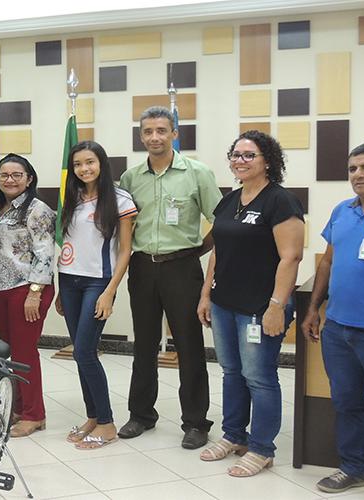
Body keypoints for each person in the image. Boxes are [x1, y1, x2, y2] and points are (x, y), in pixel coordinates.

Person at [196, 131, 304, 476]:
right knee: (232, 373)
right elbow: (218, 250)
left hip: (261, 306)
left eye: (248, 155)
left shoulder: (280, 201)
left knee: (259, 377)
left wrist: (276, 306)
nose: (239, 161)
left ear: (267, 161)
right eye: (236, 155)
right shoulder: (230, 200)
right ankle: (234, 436)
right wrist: (206, 293)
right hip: (225, 302)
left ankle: (261, 448)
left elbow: (292, 256)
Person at [301, 142, 364, 500]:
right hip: (339, 329)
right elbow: (327, 263)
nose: (358, 175)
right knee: (346, 403)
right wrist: (315, 308)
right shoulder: (342, 211)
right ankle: (354, 468)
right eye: (352, 169)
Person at [118, 106, 222, 449]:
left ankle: (195, 422)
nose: (154, 138)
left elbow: (220, 223)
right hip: (143, 267)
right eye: (147, 132)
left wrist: (196, 252)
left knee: (189, 346)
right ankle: (141, 415)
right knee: (144, 345)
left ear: (174, 133)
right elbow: (125, 226)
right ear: (141, 136)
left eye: (161, 131)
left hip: (182, 267)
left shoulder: (197, 173)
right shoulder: (131, 178)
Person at [56, 141, 137, 449]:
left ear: (101, 164)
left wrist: (109, 291)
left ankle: (107, 423)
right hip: (69, 280)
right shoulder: (72, 196)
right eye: (78, 164)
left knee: (85, 352)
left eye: (90, 162)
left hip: (98, 283)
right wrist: (60, 287)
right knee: (80, 352)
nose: (84, 168)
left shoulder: (119, 198)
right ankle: (92, 416)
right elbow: (67, 242)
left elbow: (126, 249)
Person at [0, 154, 56, 438]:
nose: (10, 180)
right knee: (10, 352)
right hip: (1, 287)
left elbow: (45, 251)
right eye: (4, 175)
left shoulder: (37, 209)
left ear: (29, 178)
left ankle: (34, 415)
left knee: (25, 352)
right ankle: (17, 409)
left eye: (17, 175)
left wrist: (35, 293)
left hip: (28, 289)